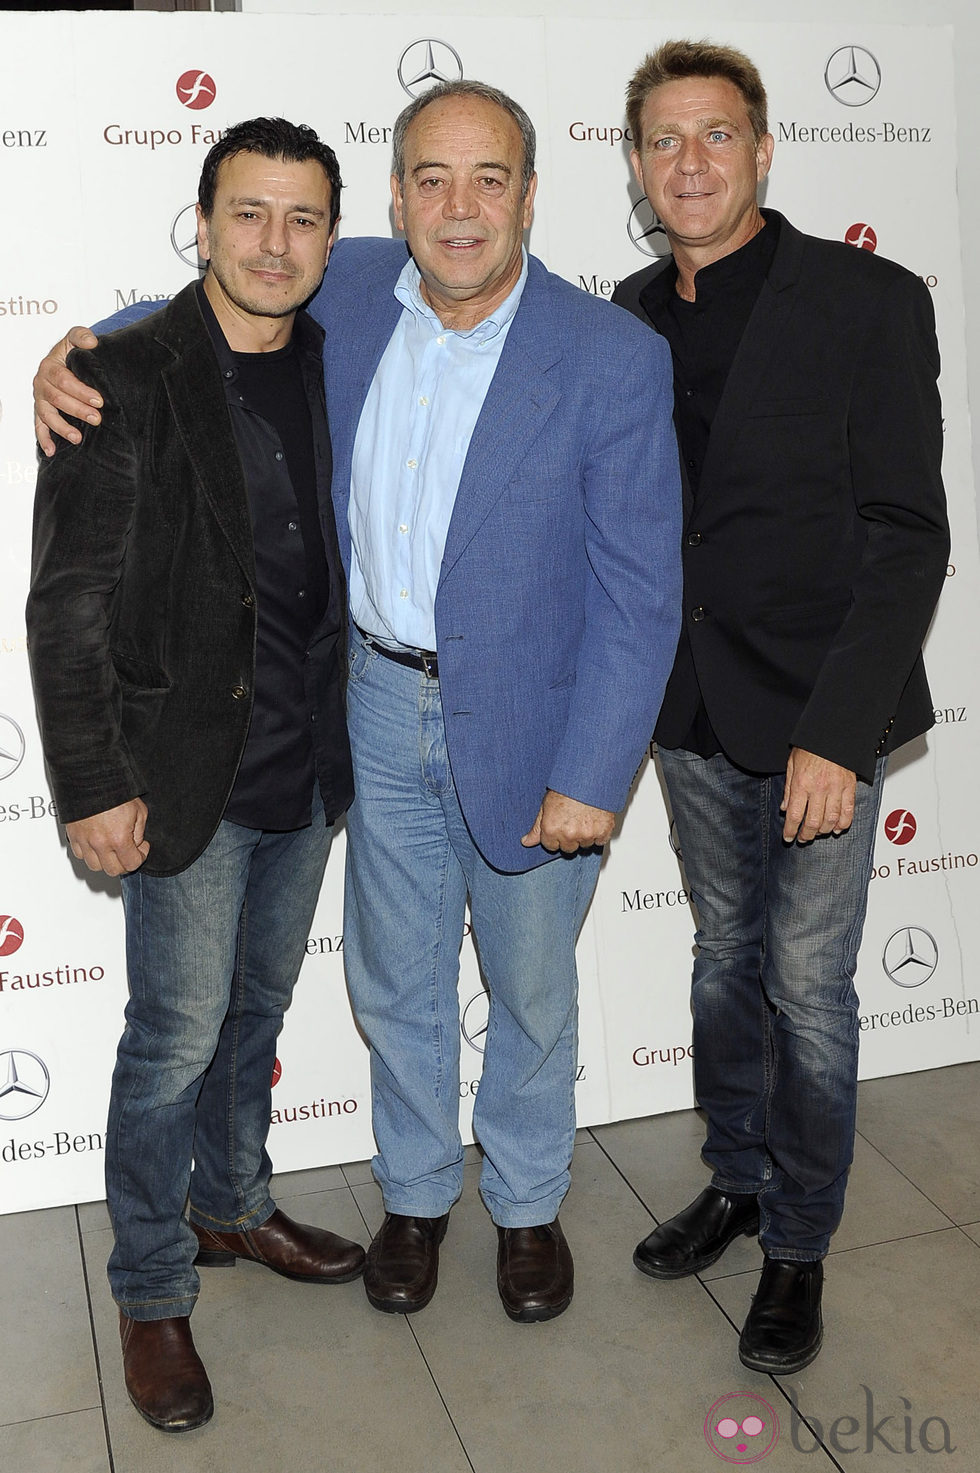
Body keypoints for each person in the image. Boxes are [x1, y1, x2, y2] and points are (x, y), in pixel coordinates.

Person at [35, 79, 683, 1327]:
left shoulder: (609, 355)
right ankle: (419, 1195)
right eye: (430, 180)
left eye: (488, 179)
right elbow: (203, 310)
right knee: (394, 980)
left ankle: (531, 1205)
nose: (457, 207)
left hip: (540, 726)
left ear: (530, 196)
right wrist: (71, 352)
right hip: (370, 707)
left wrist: (595, 772)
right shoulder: (355, 285)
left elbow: (640, 592)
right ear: (391, 201)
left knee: (533, 987)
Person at [612, 41, 949, 1373]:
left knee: (808, 984)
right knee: (719, 956)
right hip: (688, 707)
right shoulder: (630, 314)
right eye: (662, 139)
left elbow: (905, 532)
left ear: (763, 148)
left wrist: (840, 729)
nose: (688, 162)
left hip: (821, 711)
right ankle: (741, 1175)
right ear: (635, 164)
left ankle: (800, 1241)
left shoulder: (866, 299)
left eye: (715, 134)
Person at [26, 119, 365, 1435]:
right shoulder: (126, 375)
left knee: (255, 1017)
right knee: (172, 1039)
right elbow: (69, 605)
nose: (276, 243)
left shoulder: (349, 350)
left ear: (334, 235)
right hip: (178, 773)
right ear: (205, 220)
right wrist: (93, 779)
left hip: (307, 758)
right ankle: (154, 1288)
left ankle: (232, 1202)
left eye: (303, 219)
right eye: (249, 214)